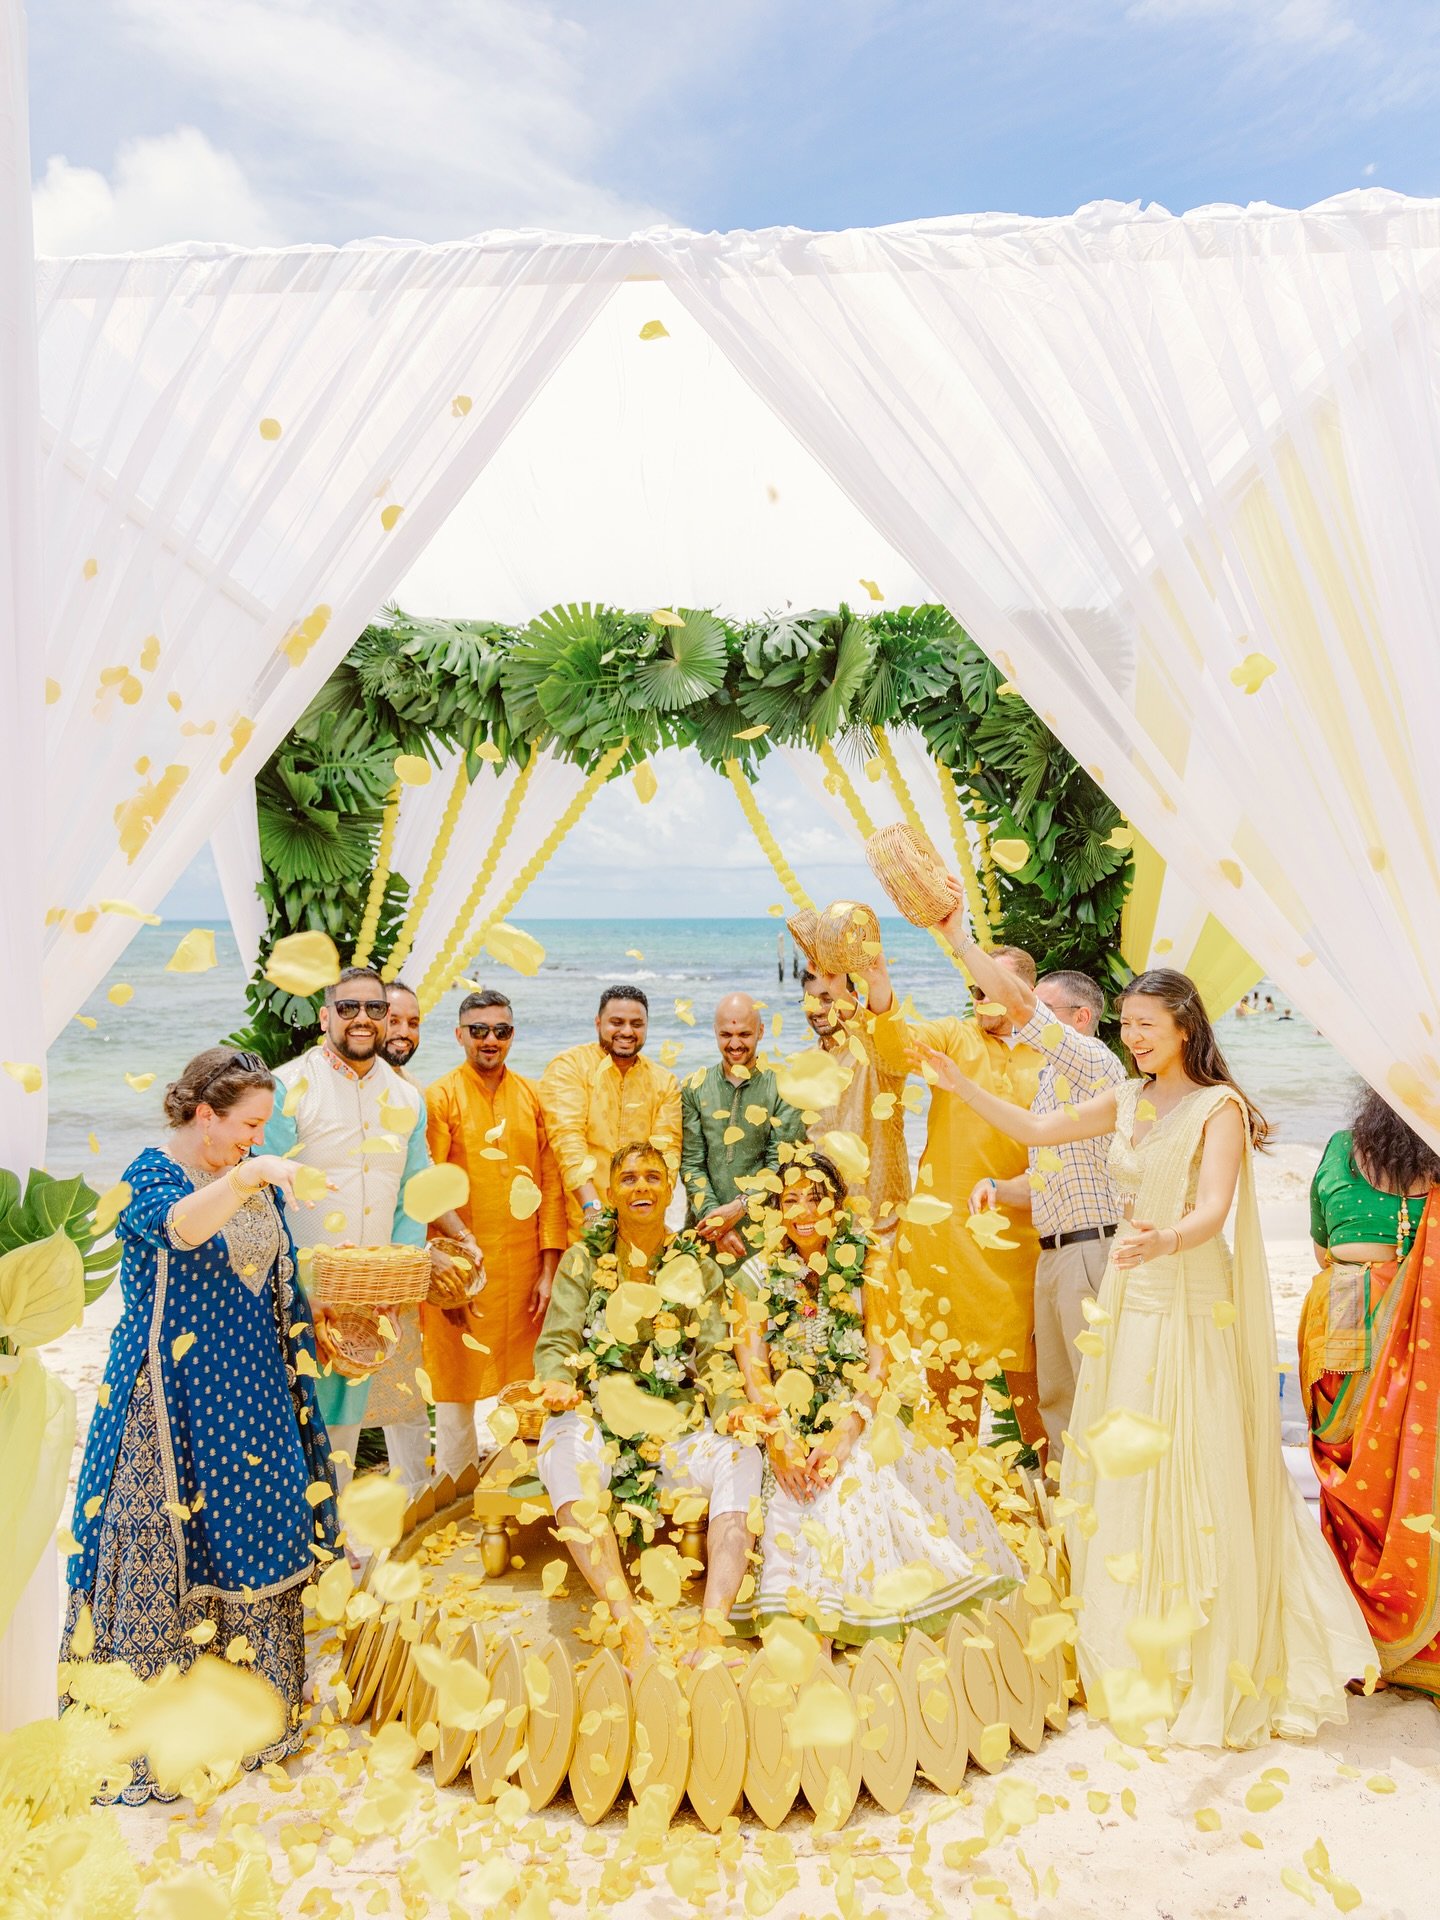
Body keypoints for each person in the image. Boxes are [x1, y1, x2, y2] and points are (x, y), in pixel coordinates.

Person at [919, 968, 1373, 1747]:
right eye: (1125, 1025)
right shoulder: (1126, 1098)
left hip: (1189, 1298)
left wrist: (1166, 1237)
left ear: (1186, 1027)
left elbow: (1214, 1209)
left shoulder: (1217, 1108)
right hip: (1131, 1303)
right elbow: (1035, 1135)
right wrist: (961, 1085)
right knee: (1123, 1463)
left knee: (1193, 1458)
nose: (1131, 1039)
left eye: (1145, 1027)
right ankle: (1133, 1635)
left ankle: (1205, 1642)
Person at [62, 1048, 338, 1802]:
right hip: (170, 1393)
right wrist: (244, 1178)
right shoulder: (151, 1173)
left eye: (262, 1130)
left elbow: (278, 1279)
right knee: (167, 1533)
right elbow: (176, 1230)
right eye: (246, 1125)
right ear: (204, 1114)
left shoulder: (249, 1173)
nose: (255, 1139)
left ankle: (251, 1711)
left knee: (257, 1529)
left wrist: (312, 1345)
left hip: (252, 1388)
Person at [731, 1150, 1019, 1650]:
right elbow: (754, 1374)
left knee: (855, 1477)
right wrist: (781, 1439)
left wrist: (847, 1429)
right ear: (775, 1210)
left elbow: (881, 1362)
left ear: (837, 1206)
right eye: (790, 1200)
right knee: (793, 1489)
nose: (802, 1212)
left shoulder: (869, 1257)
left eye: (815, 1199)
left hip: (862, 1410)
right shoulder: (756, 1274)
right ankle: (804, 1621)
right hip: (787, 1419)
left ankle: (836, 1617)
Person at [531, 1142, 761, 1671]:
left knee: (743, 1457)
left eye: (653, 1178)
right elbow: (556, 1345)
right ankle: (628, 1624)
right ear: (611, 1193)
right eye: (629, 1178)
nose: (641, 1188)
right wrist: (559, 1382)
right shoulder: (582, 1258)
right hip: (597, 1421)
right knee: (564, 1456)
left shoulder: (695, 1264)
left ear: (671, 1188)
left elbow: (714, 1354)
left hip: (672, 1426)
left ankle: (712, 1631)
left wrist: (730, 1408)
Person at [937, 881, 1126, 1461]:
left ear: (1080, 1016)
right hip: (1054, 1254)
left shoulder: (1094, 1060)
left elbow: (1018, 1009)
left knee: (1097, 1402)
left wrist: (958, 937)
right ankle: (1065, 1533)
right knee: (1057, 1405)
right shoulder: (1049, 1081)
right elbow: (1045, 1174)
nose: (1027, 1016)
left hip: (1090, 1253)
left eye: (1043, 1007)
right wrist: (1000, 1188)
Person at [264, 965, 435, 1495]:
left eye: (375, 1009)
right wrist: (297, 1287)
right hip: (294, 1291)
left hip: (368, 1296)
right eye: (348, 1008)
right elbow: (263, 1195)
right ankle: (297, 1551)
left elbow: (413, 1196)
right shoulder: (288, 1087)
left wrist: (391, 1287)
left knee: (344, 1424)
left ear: (388, 1018)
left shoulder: (408, 1098)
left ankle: (332, 1546)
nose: (362, 1019)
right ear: (324, 1017)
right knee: (289, 1421)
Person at [867, 943, 1046, 1448]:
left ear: (1023, 992)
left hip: (1026, 1252)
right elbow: (892, 1047)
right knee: (952, 1414)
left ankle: (1044, 1517)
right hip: (950, 1247)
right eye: (974, 990)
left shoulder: (1054, 1051)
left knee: (1037, 1415)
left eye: (991, 990)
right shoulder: (953, 1036)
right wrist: (880, 986)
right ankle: (959, 1519)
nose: (980, 1001)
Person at [1300, 1087, 1440, 1695]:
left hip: (1373, 1326)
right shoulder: (1344, 1152)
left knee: (1383, 1471)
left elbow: (1324, 1245)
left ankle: (1379, 1632)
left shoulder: (1340, 1151)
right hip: (1379, 1336)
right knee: (1385, 1471)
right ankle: (1390, 1635)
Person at [422, 988, 567, 1479]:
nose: (490, 1040)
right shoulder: (440, 1097)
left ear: (512, 1036)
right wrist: (449, 1267)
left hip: (525, 1268)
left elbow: (550, 1185)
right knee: (456, 1380)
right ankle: (455, 1488)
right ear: (460, 1034)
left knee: (528, 1382)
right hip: (466, 1265)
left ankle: (524, 1486)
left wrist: (550, 1270)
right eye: (479, 1030)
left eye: (500, 1031)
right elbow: (428, 1183)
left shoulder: (531, 1096)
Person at [361, 978, 482, 1481]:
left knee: (404, 1392)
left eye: (413, 1022)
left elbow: (420, 1175)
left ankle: (413, 1497)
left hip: (406, 1264)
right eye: (394, 1019)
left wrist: (463, 1236)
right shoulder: (355, 1087)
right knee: (353, 1403)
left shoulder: (409, 1092)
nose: (404, 1031)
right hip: (359, 1264)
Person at [539, 985, 682, 1237]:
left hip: (641, 1224)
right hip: (580, 1223)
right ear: (598, 1023)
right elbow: (567, 1140)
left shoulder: (664, 1082)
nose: (627, 1031)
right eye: (617, 1022)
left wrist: (646, 1216)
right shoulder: (570, 1067)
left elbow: (667, 1155)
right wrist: (593, 1209)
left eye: (636, 1024)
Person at [680, 991, 805, 1260]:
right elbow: (691, 1163)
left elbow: (781, 1165)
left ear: (760, 1032)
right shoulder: (694, 1087)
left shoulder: (784, 1088)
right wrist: (717, 1224)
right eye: (726, 1035)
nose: (735, 1044)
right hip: (705, 1229)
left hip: (764, 1234)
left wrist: (739, 1208)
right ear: (715, 1032)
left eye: (744, 1035)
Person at [800, 961, 910, 1237]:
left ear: (851, 999)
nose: (818, 1009)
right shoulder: (807, 1065)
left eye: (828, 999)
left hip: (884, 1223)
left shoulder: (876, 1054)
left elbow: (887, 1034)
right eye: (811, 1000)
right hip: (829, 1226)